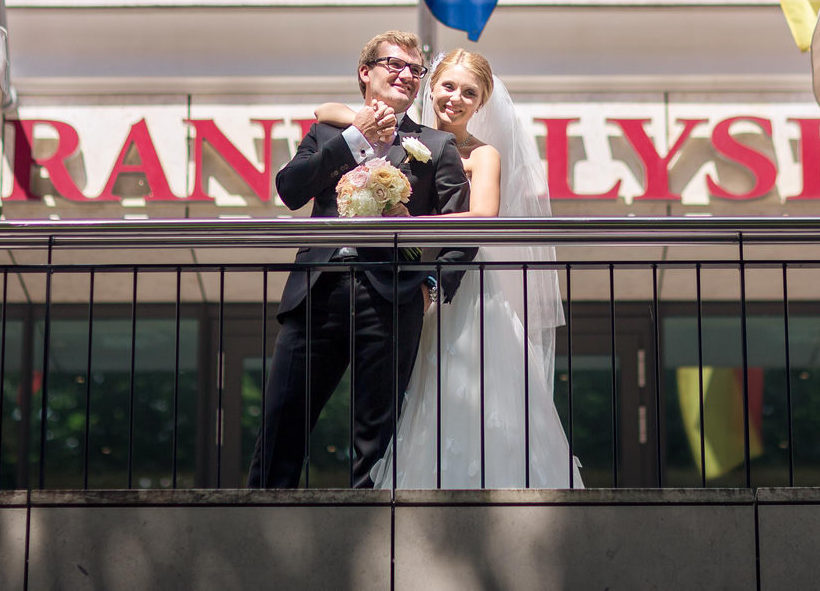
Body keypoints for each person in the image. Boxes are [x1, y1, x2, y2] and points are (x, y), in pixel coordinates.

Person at [315, 49, 583, 488]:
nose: (456, 99)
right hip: (406, 286)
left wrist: (411, 222)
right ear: (431, 87)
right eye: (448, 86)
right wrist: (365, 117)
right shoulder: (405, 137)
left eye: (469, 93)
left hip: (467, 289)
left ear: (481, 104)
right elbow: (325, 110)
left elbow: (483, 217)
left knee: (473, 394)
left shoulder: (483, 154)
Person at [246, 29, 473, 489]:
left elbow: (463, 228)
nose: (407, 75)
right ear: (365, 72)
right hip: (318, 291)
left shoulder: (435, 145)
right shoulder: (327, 133)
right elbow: (291, 189)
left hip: (391, 297)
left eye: (416, 69)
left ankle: (369, 528)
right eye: (395, 64)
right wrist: (355, 138)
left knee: (376, 439)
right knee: (282, 425)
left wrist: (433, 286)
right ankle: (261, 518)